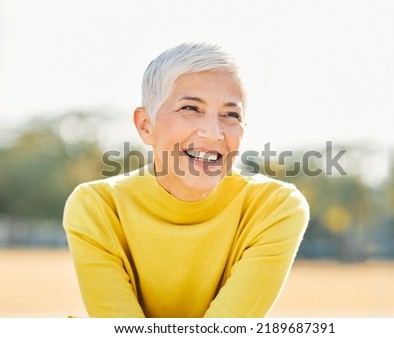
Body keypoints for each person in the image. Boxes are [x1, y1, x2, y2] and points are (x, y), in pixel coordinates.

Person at [63, 42, 310, 318]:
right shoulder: (98, 207)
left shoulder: (274, 208)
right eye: (190, 108)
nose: (213, 133)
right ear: (146, 125)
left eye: (231, 114)